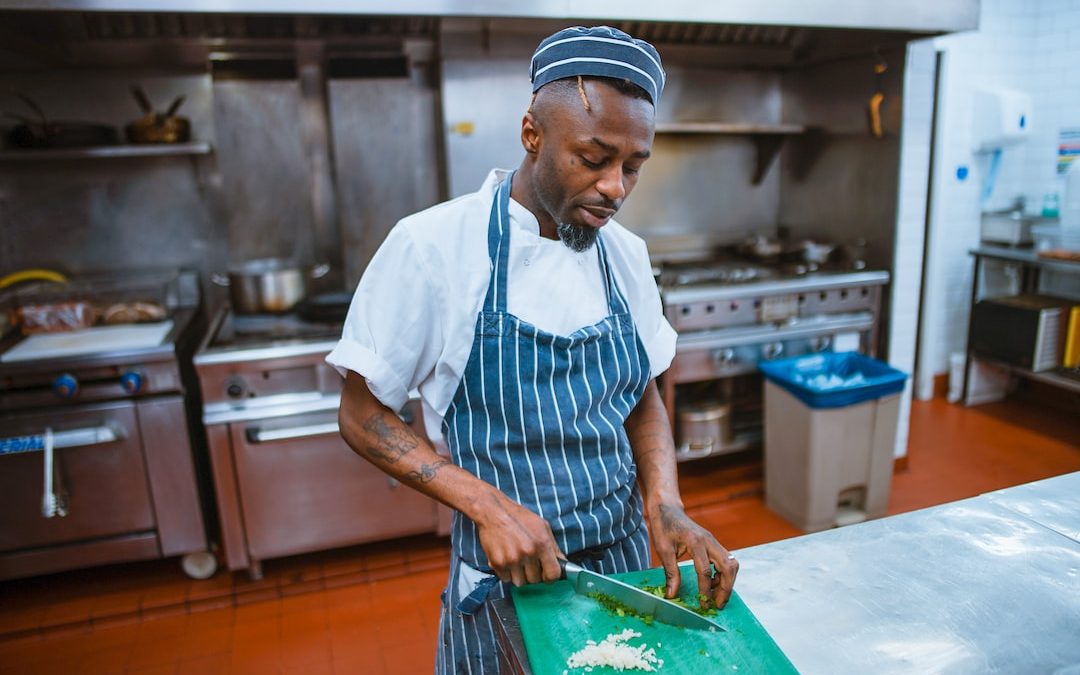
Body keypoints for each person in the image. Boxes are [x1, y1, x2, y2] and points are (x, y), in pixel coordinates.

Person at [327, 25, 739, 674]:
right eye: (593, 157)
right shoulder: (434, 248)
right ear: (531, 133)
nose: (615, 187)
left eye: (633, 165)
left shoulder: (624, 256)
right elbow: (360, 412)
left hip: (626, 571)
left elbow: (641, 394)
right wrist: (489, 506)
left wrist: (665, 503)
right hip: (506, 582)